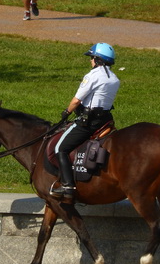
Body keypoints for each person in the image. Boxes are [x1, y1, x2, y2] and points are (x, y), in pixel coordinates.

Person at [51, 43, 120, 200]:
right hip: (105, 120)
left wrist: (66, 112)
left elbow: (76, 100)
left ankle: (68, 185)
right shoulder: (115, 79)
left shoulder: (92, 76)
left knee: (59, 148)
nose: (90, 61)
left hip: (88, 122)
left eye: (91, 58)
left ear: (97, 59)